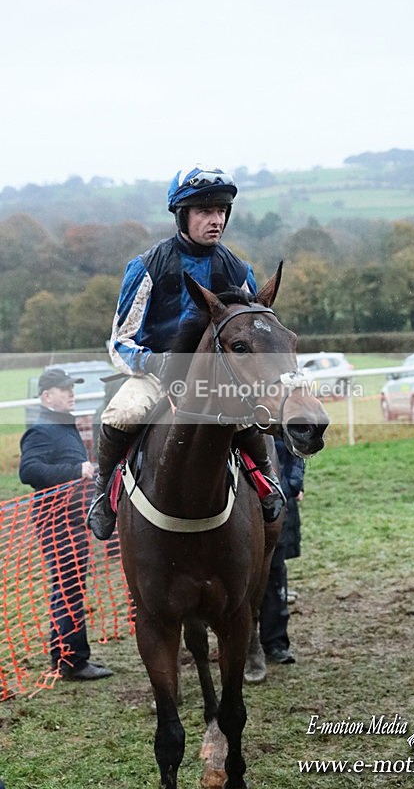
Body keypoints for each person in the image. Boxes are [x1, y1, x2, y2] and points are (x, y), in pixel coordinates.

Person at [86, 165, 284, 541]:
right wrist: (157, 362)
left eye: (221, 211)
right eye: (205, 211)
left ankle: (265, 480)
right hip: (155, 372)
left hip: (215, 375)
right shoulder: (146, 267)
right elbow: (120, 340)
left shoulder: (238, 270)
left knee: (246, 415)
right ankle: (102, 495)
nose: (216, 220)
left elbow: (255, 333)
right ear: (183, 215)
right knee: (123, 411)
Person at [19, 368, 113, 680]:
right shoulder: (42, 429)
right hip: (56, 522)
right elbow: (29, 471)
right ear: (47, 396)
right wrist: (76, 469)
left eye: (72, 388)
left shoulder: (64, 425)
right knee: (68, 589)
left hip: (73, 520)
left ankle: (67, 658)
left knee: (70, 588)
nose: (71, 393)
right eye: (64, 389)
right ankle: (72, 662)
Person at [260, 435, 305, 664]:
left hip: (278, 499)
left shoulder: (283, 407)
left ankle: (275, 642)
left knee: (274, 572)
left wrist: (291, 485)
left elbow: (299, 443)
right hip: (243, 497)